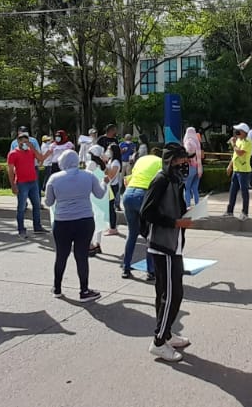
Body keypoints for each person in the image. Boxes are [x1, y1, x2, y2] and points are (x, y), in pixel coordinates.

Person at [141, 142, 196, 362]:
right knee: (173, 294)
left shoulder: (176, 182)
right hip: (163, 246)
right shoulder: (161, 180)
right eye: (182, 160)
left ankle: (167, 334)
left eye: (187, 160)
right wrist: (175, 223)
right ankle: (158, 341)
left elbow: (176, 209)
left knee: (165, 293)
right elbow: (147, 212)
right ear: (171, 161)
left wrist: (188, 214)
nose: (186, 164)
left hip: (174, 244)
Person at [43, 150, 105, 303]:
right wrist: (105, 182)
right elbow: (100, 194)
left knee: (61, 255)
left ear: (62, 162)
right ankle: (84, 290)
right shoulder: (88, 176)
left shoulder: (54, 178)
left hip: (62, 221)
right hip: (84, 220)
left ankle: (57, 288)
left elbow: (48, 202)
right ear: (77, 161)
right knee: (81, 256)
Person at [121, 151, 162, 280]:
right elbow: (159, 182)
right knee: (150, 235)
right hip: (143, 194)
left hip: (128, 195)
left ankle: (126, 268)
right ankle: (150, 270)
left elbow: (129, 178)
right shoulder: (160, 162)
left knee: (132, 234)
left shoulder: (141, 160)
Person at [7, 131, 49, 236]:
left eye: (26, 142)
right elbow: (10, 170)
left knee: (36, 205)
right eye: (22, 142)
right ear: (18, 142)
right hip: (21, 183)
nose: (24, 144)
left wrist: (33, 148)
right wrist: (13, 185)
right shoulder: (13, 154)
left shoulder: (31, 151)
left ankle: (37, 226)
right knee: (21, 207)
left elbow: (40, 159)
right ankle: (21, 229)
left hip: (33, 182)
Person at [225, 123, 252, 218]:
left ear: (244, 132)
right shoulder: (238, 141)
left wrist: (233, 143)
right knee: (232, 191)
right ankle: (229, 211)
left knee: (244, 191)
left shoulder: (247, 142)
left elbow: (240, 153)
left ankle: (245, 212)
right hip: (236, 170)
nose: (236, 133)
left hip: (244, 171)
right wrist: (230, 166)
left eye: (238, 131)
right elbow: (235, 155)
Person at [103, 145, 123, 236]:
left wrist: (104, 168)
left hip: (112, 187)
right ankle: (111, 226)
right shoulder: (111, 160)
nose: (108, 151)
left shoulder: (115, 162)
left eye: (109, 149)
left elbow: (111, 175)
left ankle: (113, 228)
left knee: (111, 207)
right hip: (110, 186)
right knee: (108, 207)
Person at [183, 127, 203, 206]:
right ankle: (197, 204)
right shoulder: (197, 142)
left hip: (190, 167)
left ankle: (187, 205)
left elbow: (187, 152)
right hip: (198, 167)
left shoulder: (188, 142)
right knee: (195, 189)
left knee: (187, 189)